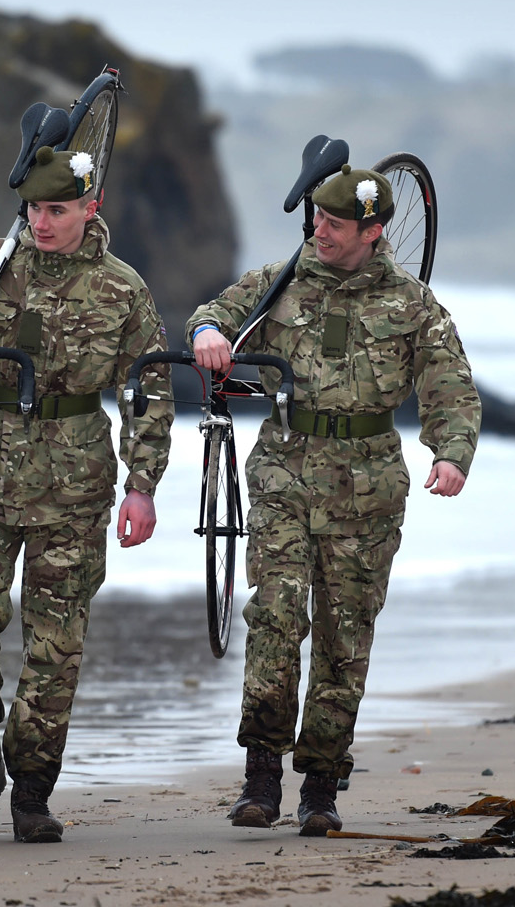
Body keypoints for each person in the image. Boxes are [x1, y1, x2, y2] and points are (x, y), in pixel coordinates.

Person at [188, 161, 482, 836]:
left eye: (335, 223)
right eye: (317, 217)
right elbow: (214, 313)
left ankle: (320, 784)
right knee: (276, 613)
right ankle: (261, 775)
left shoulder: (414, 305)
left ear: (371, 232)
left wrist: (450, 453)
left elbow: (452, 388)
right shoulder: (279, 281)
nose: (319, 230)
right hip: (284, 472)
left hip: (367, 489)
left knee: (345, 637)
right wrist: (207, 334)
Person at [0, 145, 173, 844]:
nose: (42, 221)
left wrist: (142, 485)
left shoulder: (122, 288)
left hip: (75, 481)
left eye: (58, 209)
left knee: (55, 642)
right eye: (33, 208)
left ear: (91, 206)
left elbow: (148, 393)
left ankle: (32, 787)